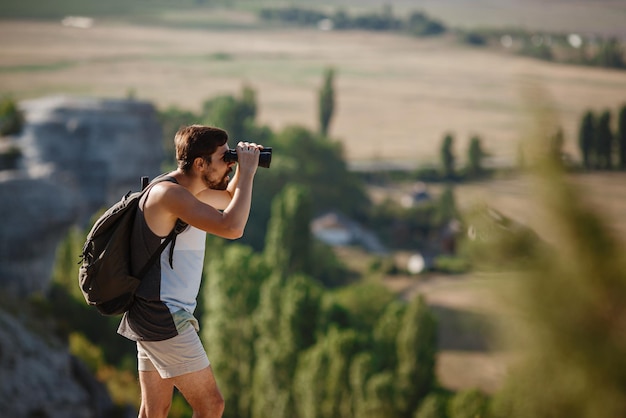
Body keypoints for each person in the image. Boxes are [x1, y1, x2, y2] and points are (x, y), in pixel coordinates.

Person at [117, 125, 263, 418]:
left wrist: (245, 169)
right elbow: (232, 227)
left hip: (153, 312)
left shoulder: (187, 190)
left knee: (154, 410)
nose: (229, 162)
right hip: (163, 314)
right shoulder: (169, 195)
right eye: (224, 157)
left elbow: (230, 200)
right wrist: (244, 173)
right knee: (211, 406)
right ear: (200, 163)